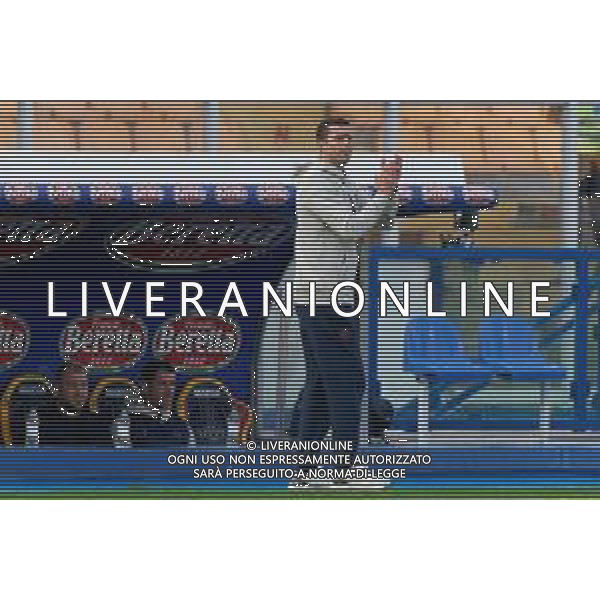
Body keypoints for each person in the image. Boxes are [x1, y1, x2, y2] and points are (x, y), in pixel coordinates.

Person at [287, 117, 401, 451]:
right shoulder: (315, 181)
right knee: (347, 383)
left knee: (322, 383)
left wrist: (388, 189)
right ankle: (343, 462)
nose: (344, 144)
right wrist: (380, 193)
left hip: (333, 295)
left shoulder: (343, 182)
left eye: (348, 138)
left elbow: (382, 220)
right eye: (336, 138)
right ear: (320, 143)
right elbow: (351, 228)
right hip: (324, 296)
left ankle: (305, 462)